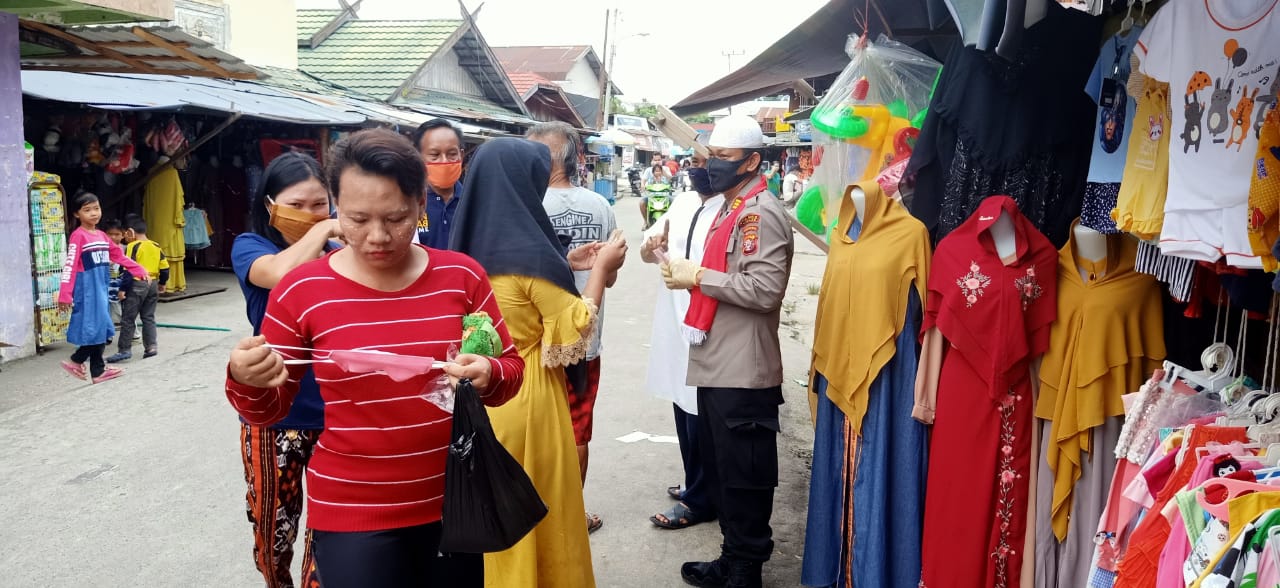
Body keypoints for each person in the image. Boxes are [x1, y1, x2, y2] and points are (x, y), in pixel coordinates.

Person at [226, 129, 524, 587]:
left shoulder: (461, 277)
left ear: (422, 203)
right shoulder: (301, 290)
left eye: (397, 217)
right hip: (351, 509)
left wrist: (488, 373)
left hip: (454, 500)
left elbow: (510, 375)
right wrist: (246, 378)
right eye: (357, 219)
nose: (378, 237)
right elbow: (269, 408)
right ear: (335, 208)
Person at [450, 138, 627, 588]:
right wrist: (600, 272)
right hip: (528, 397)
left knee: (497, 511)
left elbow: (516, 298)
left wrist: (564, 263)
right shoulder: (528, 257)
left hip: (483, 396)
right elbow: (569, 335)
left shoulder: (468, 247)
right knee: (538, 510)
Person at [658, 115, 795, 588]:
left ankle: (745, 571)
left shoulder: (760, 214)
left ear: (753, 161)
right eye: (710, 155)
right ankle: (731, 558)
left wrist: (698, 276)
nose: (712, 166)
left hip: (744, 370)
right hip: (720, 364)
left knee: (745, 478)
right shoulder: (729, 208)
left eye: (723, 158)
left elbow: (764, 290)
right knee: (724, 472)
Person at [227, 151, 338, 588]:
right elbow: (282, 275)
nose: (310, 215)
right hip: (277, 414)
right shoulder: (251, 247)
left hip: (336, 412)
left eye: (319, 204)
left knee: (328, 532)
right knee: (274, 532)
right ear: (270, 205)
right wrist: (328, 229)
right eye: (297, 205)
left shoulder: (343, 252)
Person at [527, 121, 619, 534]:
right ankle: (570, 516)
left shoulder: (526, 202)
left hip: (536, 340)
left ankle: (535, 512)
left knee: (537, 427)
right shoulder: (600, 206)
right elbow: (611, 276)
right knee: (578, 430)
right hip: (586, 337)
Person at [640, 148, 722, 532]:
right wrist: (649, 247)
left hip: (707, 318)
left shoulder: (730, 207)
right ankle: (694, 482)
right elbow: (654, 241)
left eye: (709, 162)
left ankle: (702, 499)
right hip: (674, 318)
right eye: (696, 161)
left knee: (700, 410)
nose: (698, 169)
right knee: (681, 401)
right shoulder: (684, 199)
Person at [59, 192, 148, 384]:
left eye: (96, 208)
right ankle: (76, 360)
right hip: (87, 289)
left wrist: (138, 269)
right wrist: (65, 294)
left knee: (102, 328)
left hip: (100, 288)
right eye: (87, 210)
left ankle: (98, 370)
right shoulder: (78, 236)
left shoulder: (101, 236)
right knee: (97, 328)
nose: (93, 213)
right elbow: (70, 265)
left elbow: (118, 256)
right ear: (77, 214)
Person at [106, 218, 168, 363]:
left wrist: (122, 289)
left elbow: (129, 269)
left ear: (130, 232)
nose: (125, 237)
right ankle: (151, 347)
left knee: (128, 318)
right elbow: (165, 268)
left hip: (137, 283)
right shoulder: (156, 245)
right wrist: (162, 283)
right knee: (148, 316)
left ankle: (124, 350)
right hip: (152, 283)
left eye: (125, 234)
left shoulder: (132, 246)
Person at [411, 118, 465, 248]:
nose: (444, 161)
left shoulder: (472, 202)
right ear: (418, 157)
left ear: (461, 156)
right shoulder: (410, 203)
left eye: (452, 154)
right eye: (435, 155)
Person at [102, 219, 130, 333]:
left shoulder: (125, 249)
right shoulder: (102, 249)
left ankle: (131, 332)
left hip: (120, 283)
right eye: (110, 234)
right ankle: (107, 333)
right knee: (105, 308)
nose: (113, 237)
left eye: (117, 234)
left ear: (123, 235)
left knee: (120, 309)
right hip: (105, 282)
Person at [640, 157, 674, 225]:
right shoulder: (651, 178)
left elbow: (669, 180)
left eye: (659, 160)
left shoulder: (665, 174)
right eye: (656, 171)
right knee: (641, 203)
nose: (658, 172)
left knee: (674, 202)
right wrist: (643, 186)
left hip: (664, 197)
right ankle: (645, 222)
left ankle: (672, 222)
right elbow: (644, 182)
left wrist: (663, 172)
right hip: (652, 197)